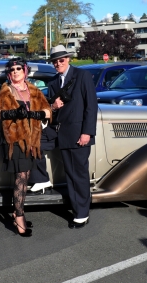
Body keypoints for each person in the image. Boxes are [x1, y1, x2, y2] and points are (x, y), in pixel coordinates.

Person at [0, 57, 51, 237]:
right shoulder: (6, 90)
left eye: (18, 68)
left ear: (25, 70)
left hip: (32, 142)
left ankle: (17, 212)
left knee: (25, 179)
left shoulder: (33, 89)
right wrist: (11, 112)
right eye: (12, 69)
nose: (15, 71)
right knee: (21, 178)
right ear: (9, 73)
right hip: (15, 141)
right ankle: (19, 217)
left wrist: (38, 113)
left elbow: (48, 111)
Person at [48, 45, 97, 229]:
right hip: (63, 134)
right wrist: (53, 106)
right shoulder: (53, 82)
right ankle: (78, 210)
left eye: (61, 60)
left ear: (68, 59)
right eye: (55, 61)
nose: (58, 64)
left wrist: (87, 132)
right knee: (70, 175)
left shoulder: (82, 76)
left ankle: (82, 213)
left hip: (79, 134)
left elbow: (91, 106)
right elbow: (50, 110)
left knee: (80, 174)